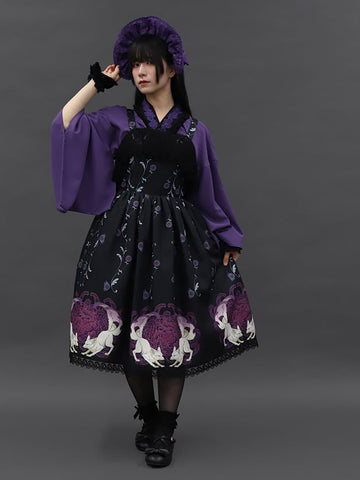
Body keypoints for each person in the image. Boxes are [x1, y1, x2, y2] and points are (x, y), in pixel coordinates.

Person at [50, 15, 259, 468]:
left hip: (176, 242)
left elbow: (209, 193)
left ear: (172, 66)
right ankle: (147, 416)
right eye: (134, 64)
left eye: (148, 62)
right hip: (120, 238)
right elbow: (65, 124)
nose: (140, 71)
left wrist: (229, 236)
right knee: (127, 325)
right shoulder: (118, 121)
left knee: (172, 327)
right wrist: (96, 85)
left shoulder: (195, 132)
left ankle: (165, 426)